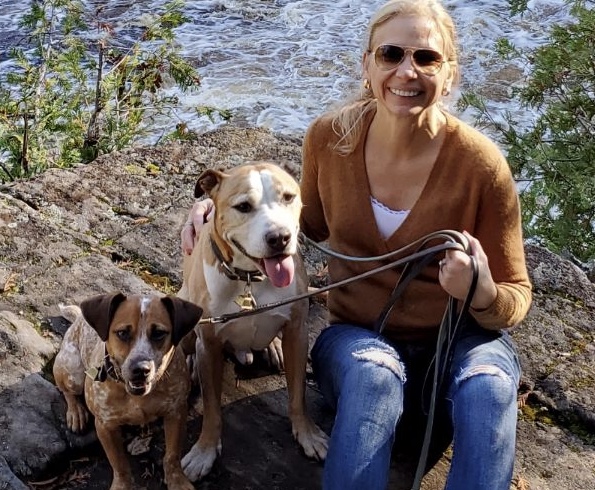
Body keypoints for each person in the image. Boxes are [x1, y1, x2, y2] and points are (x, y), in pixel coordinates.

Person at [181, 1, 532, 489]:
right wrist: (216, 209)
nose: (407, 71)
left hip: (460, 340)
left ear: (449, 74)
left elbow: (516, 296)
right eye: (391, 54)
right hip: (361, 337)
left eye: (426, 58)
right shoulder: (329, 138)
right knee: (372, 376)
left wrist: (483, 292)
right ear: (367, 65)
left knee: (492, 388)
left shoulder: (481, 165)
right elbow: (306, 224)